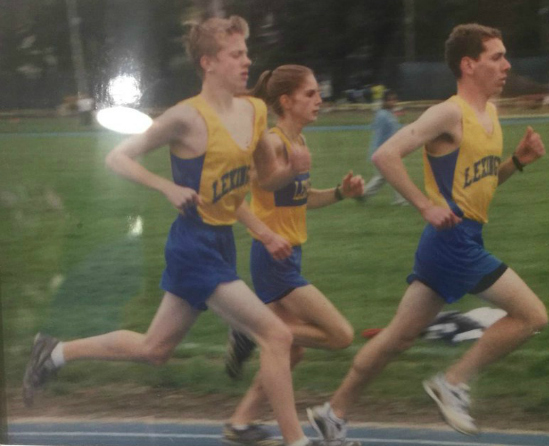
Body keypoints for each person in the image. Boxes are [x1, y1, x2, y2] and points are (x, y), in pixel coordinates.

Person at [22, 15, 323, 446]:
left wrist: (288, 174)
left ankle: (53, 352)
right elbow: (118, 158)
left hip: (220, 244)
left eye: (246, 52)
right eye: (236, 54)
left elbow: (264, 181)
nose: (247, 61)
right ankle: (296, 441)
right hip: (192, 246)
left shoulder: (255, 111)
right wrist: (165, 185)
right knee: (276, 334)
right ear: (208, 62)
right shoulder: (185, 118)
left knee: (154, 350)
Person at [307, 23, 549, 439]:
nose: (507, 65)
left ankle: (333, 412)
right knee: (531, 316)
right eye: (497, 57)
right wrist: (425, 206)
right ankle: (452, 383)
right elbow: (386, 155)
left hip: (457, 239)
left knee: (397, 339)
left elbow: (480, 187)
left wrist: (517, 162)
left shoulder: (489, 114)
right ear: (469, 65)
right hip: (452, 243)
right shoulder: (448, 113)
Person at [222, 65, 364, 446]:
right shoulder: (273, 142)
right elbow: (254, 187)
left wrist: (338, 193)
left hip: (289, 253)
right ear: (286, 101)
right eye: (310, 94)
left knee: (291, 350)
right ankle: (250, 328)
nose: (319, 100)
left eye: (318, 93)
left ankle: (241, 422)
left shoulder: (298, 142)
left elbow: (301, 197)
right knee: (339, 335)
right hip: (274, 258)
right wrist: (290, 172)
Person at [360, 89, 407, 205]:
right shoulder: (382, 115)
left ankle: (399, 199)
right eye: (390, 100)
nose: (393, 102)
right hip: (383, 151)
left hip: (389, 150)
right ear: (384, 101)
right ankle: (363, 194)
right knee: (386, 176)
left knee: (391, 175)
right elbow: (379, 134)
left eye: (394, 99)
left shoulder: (389, 114)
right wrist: (379, 152)